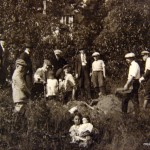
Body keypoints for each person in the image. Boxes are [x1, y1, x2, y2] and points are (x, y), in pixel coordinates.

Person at [11, 59, 30, 132]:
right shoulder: (17, 74)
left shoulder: (18, 74)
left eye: (24, 67)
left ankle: (20, 130)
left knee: (22, 114)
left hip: (21, 97)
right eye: (22, 67)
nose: (23, 68)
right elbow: (22, 86)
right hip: (19, 97)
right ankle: (14, 129)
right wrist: (29, 93)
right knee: (18, 113)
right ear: (17, 66)